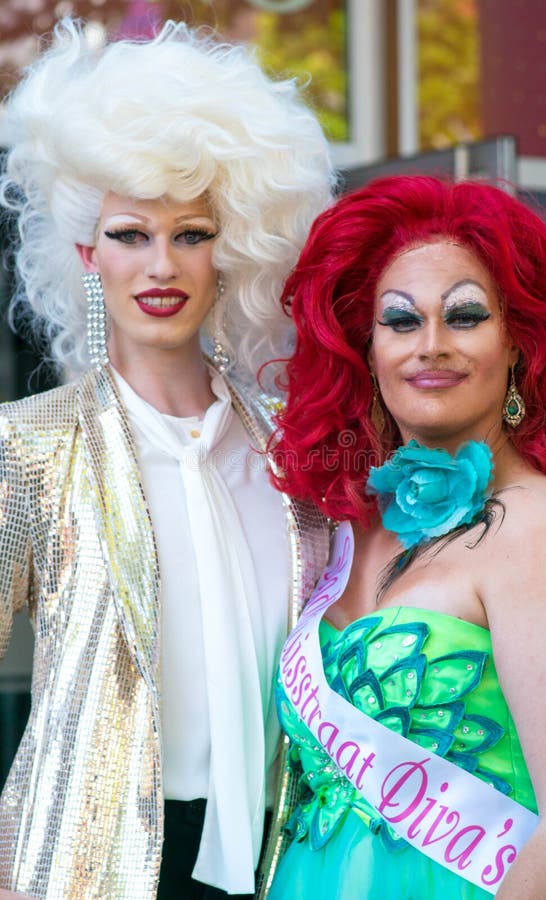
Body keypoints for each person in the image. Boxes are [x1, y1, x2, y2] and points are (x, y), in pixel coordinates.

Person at [0, 18, 334, 899]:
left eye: (191, 233)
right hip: (89, 869)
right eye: (128, 234)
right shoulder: (27, 448)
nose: (161, 264)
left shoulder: (294, 456)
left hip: (285, 859)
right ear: (85, 252)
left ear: (233, 252)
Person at [263, 175, 546, 899]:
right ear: (367, 349)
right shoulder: (346, 531)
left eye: (466, 316)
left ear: (519, 344)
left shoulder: (541, 524)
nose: (432, 346)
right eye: (401, 321)